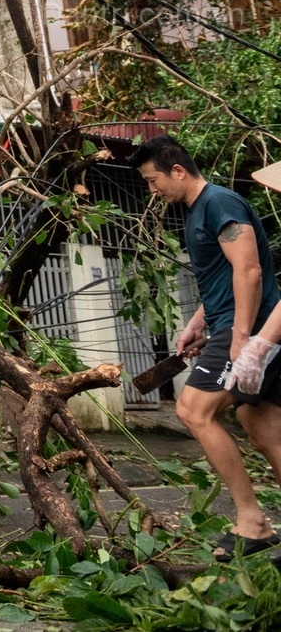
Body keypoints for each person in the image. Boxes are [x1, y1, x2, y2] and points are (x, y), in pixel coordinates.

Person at [137, 134, 281, 558]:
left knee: (192, 411)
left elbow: (249, 271)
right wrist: (196, 324)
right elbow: (223, 276)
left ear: (178, 170)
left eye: (152, 180)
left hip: (251, 328)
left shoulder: (219, 203)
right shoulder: (197, 210)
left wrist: (240, 340)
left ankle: (252, 521)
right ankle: (255, 524)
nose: (152, 190)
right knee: (264, 429)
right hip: (229, 325)